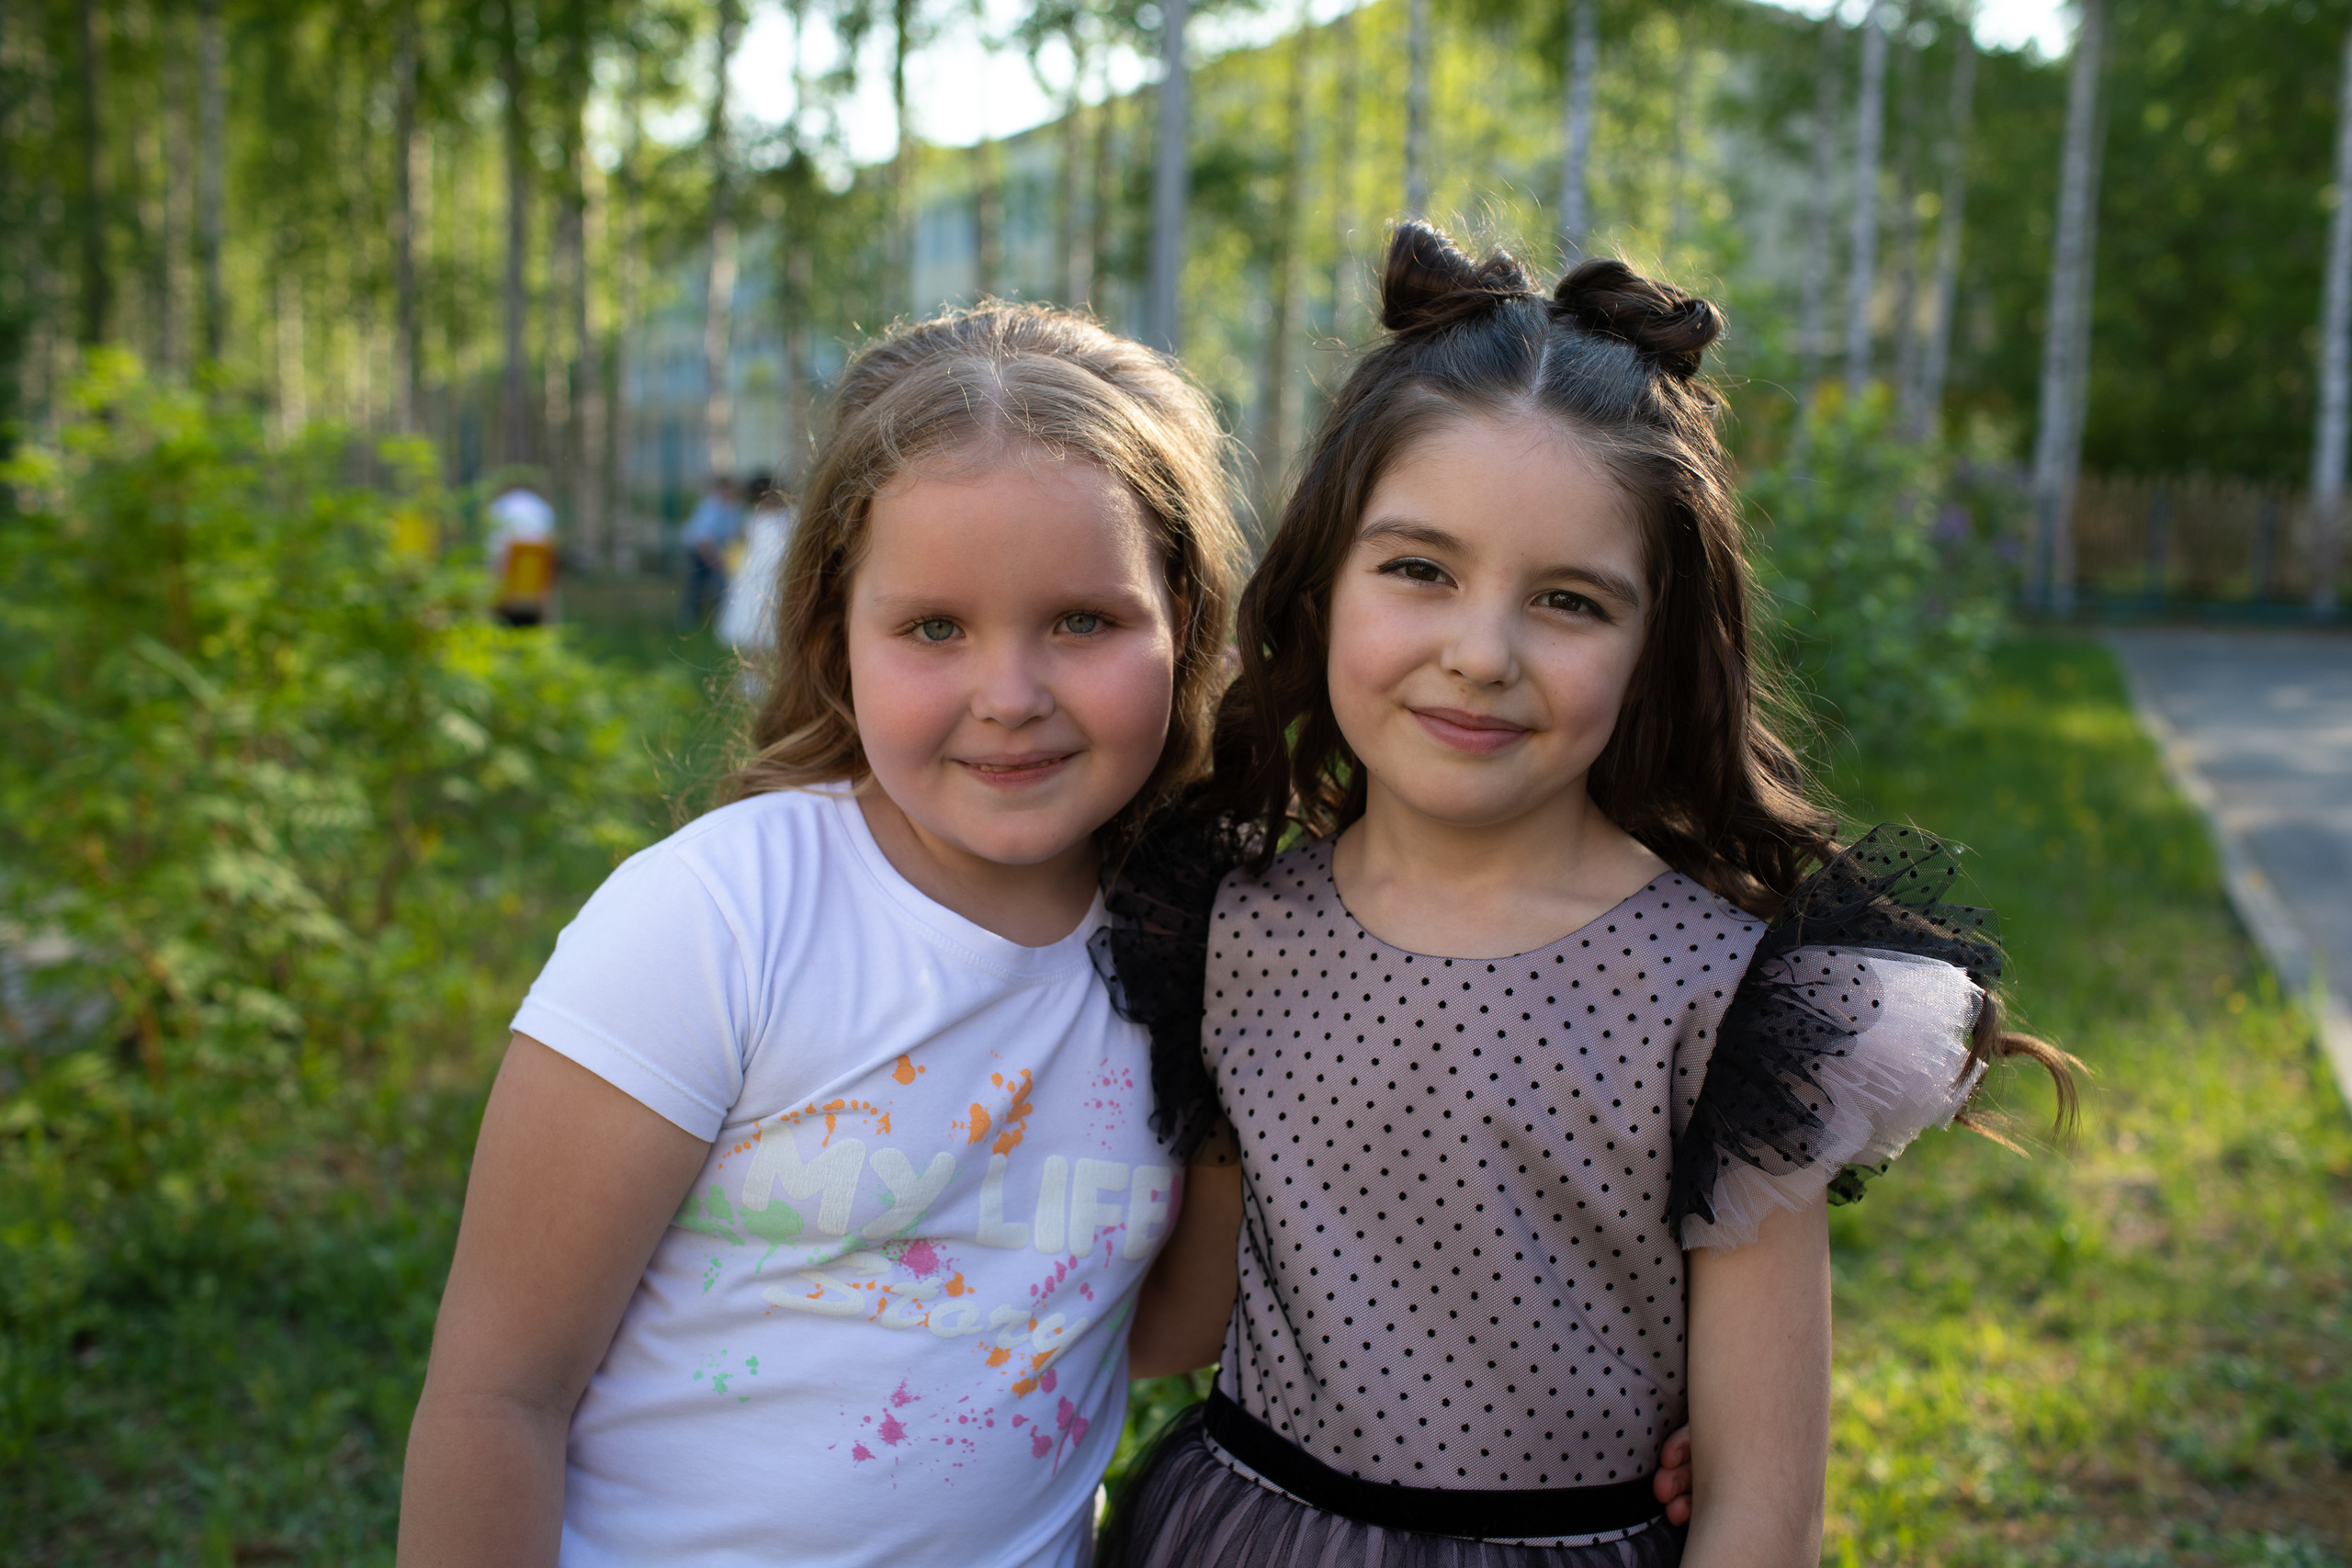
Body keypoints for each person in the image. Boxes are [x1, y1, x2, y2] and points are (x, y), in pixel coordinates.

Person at [1095, 222, 2075, 1568]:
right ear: (1320, 582)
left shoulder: (1733, 999)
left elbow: (1761, 1506)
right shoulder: (1228, 924)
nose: (1480, 652)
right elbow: (1181, 1317)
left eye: (1568, 599)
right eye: (1419, 569)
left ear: (1654, 643)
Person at [396, 304, 1248, 1567]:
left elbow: (1152, 1326)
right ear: (834, 638)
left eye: (1081, 620)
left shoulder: (1208, 943)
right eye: (934, 627)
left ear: (1182, 620)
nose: (1008, 696)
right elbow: (497, 1394)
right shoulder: (719, 917)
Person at [716, 472, 795, 660]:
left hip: (776, 575)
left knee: (774, 621)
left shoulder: (786, 517)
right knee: (755, 622)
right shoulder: (754, 519)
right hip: (757, 576)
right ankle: (754, 672)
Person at [485, 474, 559, 627]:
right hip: (537, 596)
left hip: (505, 596)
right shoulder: (542, 510)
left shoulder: (500, 507)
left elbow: (494, 558)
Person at [679, 475, 746, 628]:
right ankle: (688, 619)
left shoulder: (735, 508)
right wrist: (716, 563)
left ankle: (716, 619)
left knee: (719, 585)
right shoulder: (710, 507)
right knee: (696, 585)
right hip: (698, 551)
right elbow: (703, 540)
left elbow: (735, 533)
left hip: (717, 550)